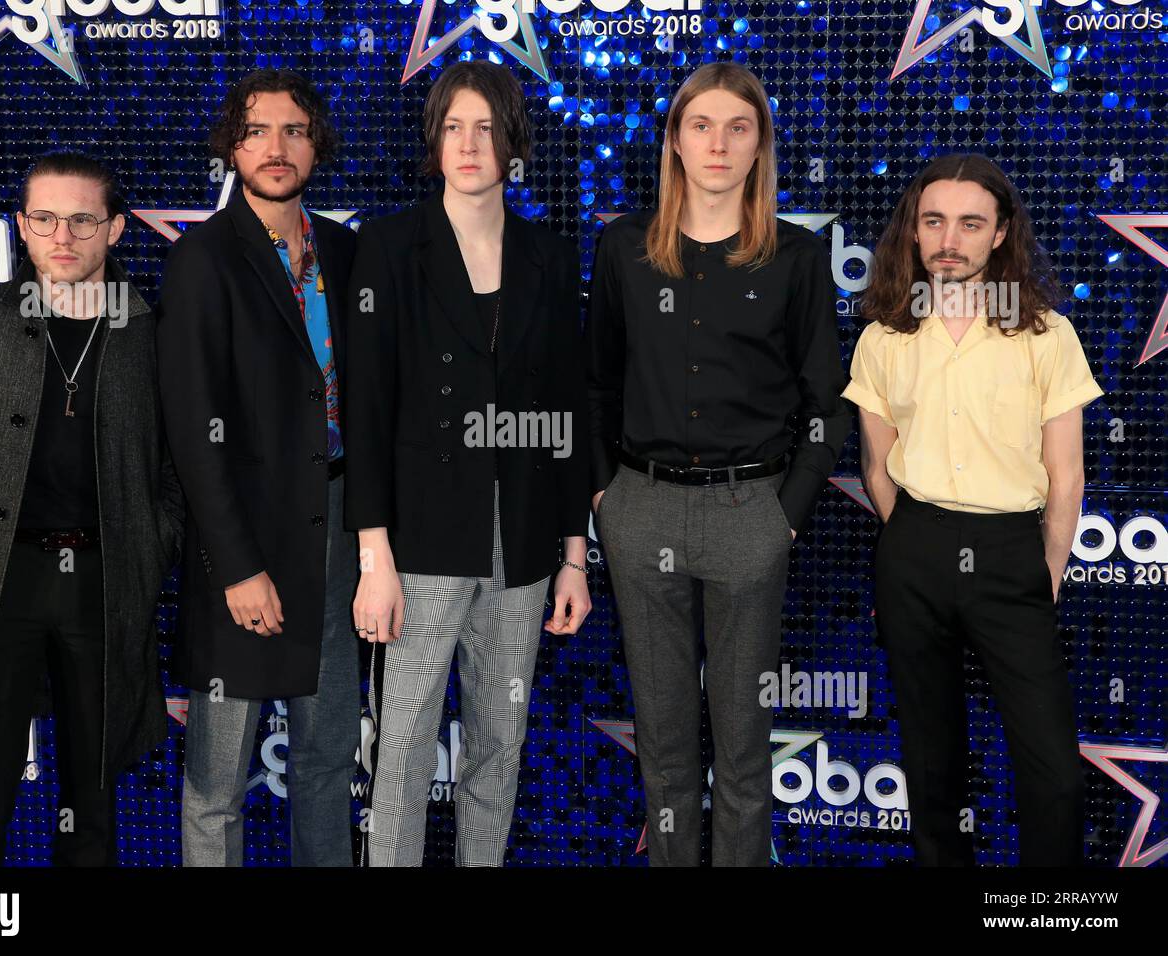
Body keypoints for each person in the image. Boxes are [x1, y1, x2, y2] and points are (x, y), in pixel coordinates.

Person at [586, 62, 850, 866]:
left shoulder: (796, 258)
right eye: (701, 125)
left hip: (751, 514)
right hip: (642, 509)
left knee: (742, 749)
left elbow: (827, 400)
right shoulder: (625, 249)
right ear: (673, 139)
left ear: (761, 145)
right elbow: (596, 379)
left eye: (740, 127)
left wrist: (785, 516)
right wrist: (605, 499)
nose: (719, 143)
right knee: (664, 747)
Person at [0, 151, 182, 865]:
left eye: (83, 220)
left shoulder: (154, 331)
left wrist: (152, 540)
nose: (63, 236)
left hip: (106, 584)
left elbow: (184, 469)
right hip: (0, 583)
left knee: (92, 799)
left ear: (115, 229)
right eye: (44, 218)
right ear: (21, 225)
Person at [344, 60, 591, 867]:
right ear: (434, 141)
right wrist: (373, 557)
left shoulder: (549, 257)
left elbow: (568, 414)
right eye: (453, 126)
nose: (469, 143)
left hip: (520, 544)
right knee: (404, 745)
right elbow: (369, 412)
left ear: (512, 141)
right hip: (419, 541)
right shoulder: (386, 249)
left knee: (500, 742)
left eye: (486, 127)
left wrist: (574, 556)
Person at [844, 153, 1103, 866]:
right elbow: (877, 464)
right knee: (931, 763)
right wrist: (913, 548)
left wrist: (1042, 573)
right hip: (913, 549)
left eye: (969, 222)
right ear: (914, 232)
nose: (948, 239)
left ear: (1000, 233)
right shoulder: (884, 337)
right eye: (933, 221)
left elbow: (1066, 474)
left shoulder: (1047, 335)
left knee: (1051, 770)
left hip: (1013, 554)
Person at [157, 69, 359, 867]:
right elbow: (191, 431)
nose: (276, 148)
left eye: (294, 130)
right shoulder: (203, 259)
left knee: (325, 762)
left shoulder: (346, 252)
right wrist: (239, 567)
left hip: (338, 531)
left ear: (316, 143)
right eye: (256, 131)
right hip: (237, 541)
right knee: (216, 782)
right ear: (230, 147)